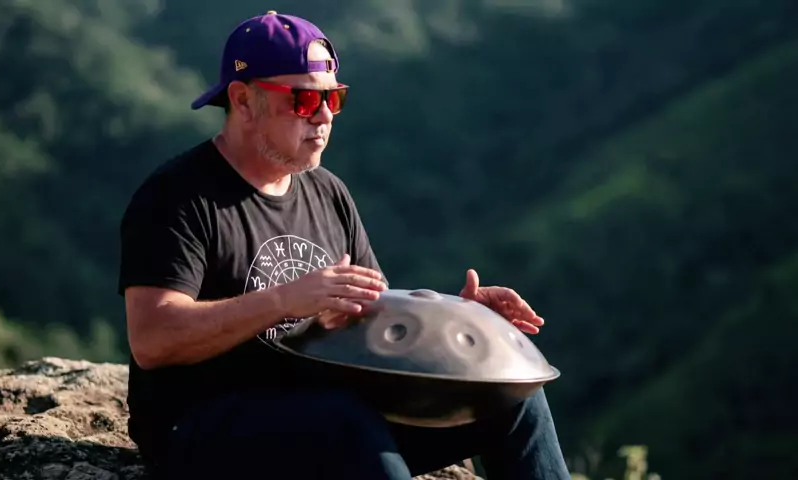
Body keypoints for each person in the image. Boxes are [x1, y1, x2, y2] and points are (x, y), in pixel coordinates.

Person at [117, 10, 571, 480]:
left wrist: (462, 319)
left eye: (333, 97)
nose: (325, 115)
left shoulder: (327, 191)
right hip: (201, 425)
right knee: (347, 426)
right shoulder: (178, 196)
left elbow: (372, 321)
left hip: (324, 412)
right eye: (304, 100)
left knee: (511, 396)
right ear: (243, 100)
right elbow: (152, 339)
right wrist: (283, 300)